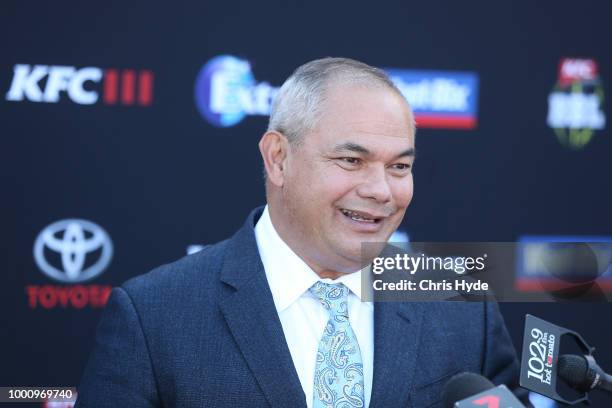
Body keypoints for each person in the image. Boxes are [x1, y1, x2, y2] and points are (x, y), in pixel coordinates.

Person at [76, 58, 523, 408]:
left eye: (399, 167)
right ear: (278, 159)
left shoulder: (460, 305)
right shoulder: (154, 317)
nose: (380, 190)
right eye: (351, 161)